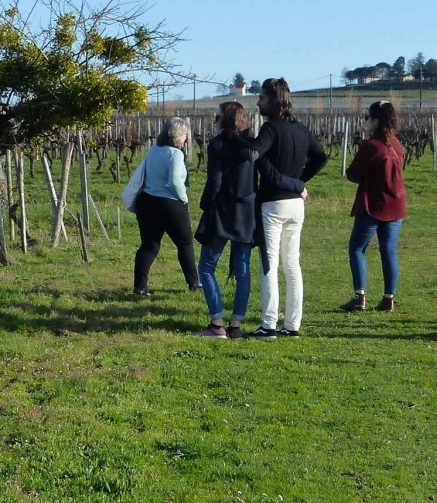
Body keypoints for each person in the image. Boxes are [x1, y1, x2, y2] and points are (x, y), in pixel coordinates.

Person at [249, 78, 328, 337]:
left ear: (273, 100)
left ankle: (269, 323)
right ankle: (293, 325)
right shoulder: (301, 129)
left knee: (269, 264)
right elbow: (321, 157)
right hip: (296, 204)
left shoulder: (270, 129)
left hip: (273, 204)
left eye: (262, 97)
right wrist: (300, 182)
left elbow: (255, 155)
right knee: (292, 265)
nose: (258, 102)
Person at [194, 102, 258, 338]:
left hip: (222, 210)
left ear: (226, 119)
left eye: (217, 115)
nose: (214, 118)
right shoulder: (252, 145)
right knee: (243, 269)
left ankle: (217, 322)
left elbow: (215, 181)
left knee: (207, 267)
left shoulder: (218, 144)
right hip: (247, 211)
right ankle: (236, 325)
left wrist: (205, 203)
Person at [340, 100, 406, 313]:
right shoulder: (396, 144)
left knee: (357, 248)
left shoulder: (371, 146)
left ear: (376, 120)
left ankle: (360, 296)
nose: (365, 121)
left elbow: (353, 174)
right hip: (395, 205)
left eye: (367, 117)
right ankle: (389, 298)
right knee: (389, 251)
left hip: (372, 205)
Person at [131, 117, 198, 296]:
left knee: (149, 246)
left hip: (147, 202)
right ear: (177, 135)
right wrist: (183, 199)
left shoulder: (153, 149)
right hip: (169, 205)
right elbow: (175, 181)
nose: (186, 139)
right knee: (184, 243)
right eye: (185, 135)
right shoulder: (175, 154)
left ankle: (140, 286)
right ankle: (193, 282)